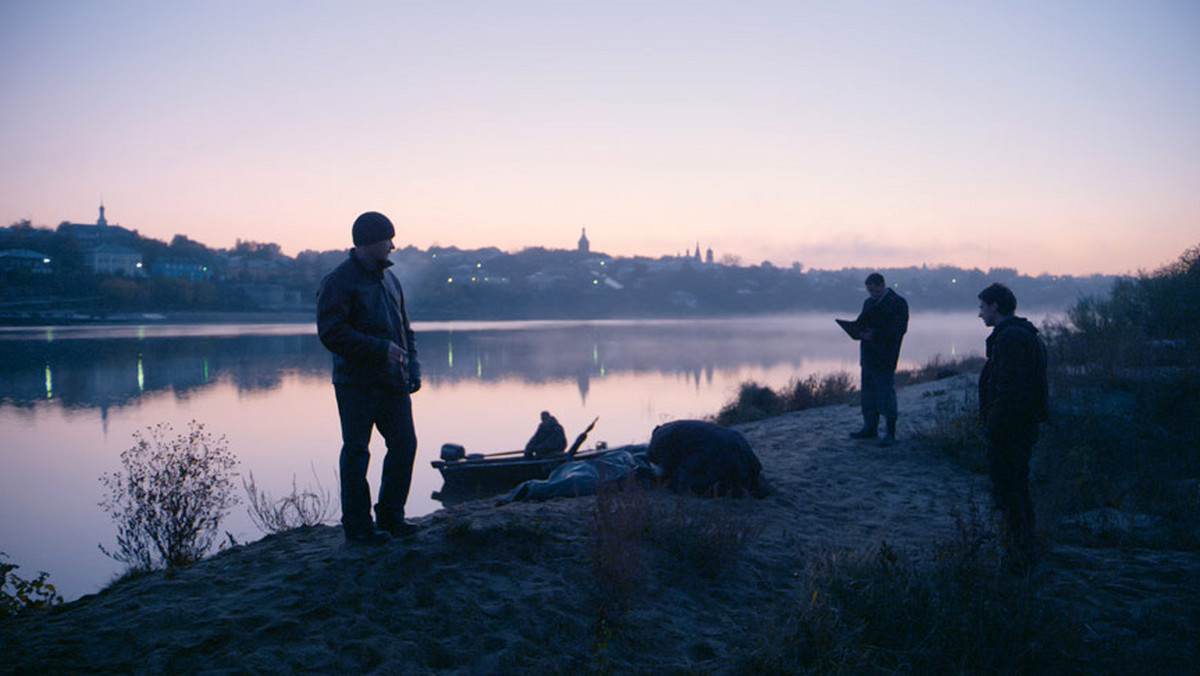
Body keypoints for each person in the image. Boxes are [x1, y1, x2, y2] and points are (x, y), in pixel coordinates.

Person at [317, 211, 422, 544]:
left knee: (405, 445)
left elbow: (405, 328)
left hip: (393, 381)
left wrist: (413, 366)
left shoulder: (391, 280)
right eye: (386, 239)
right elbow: (331, 333)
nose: (392, 245)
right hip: (355, 384)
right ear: (367, 243)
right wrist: (378, 349)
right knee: (357, 452)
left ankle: (391, 517)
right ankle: (358, 527)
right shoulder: (338, 280)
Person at [977, 282, 1048, 569]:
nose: (979, 314)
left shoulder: (1010, 339)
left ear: (994, 306)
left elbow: (1011, 390)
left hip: (1011, 430)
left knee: (1009, 490)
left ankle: (1018, 552)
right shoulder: (1021, 334)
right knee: (1018, 487)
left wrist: (993, 426)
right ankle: (1023, 547)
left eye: (982, 307)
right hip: (1020, 427)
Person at [849, 272, 909, 446]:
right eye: (869, 291)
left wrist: (874, 334)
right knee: (868, 395)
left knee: (886, 395)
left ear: (882, 285)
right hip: (867, 356)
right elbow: (862, 322)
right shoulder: (868, 303)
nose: (872, 294)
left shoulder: (898, 303)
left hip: (885, 357)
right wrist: (856, 331)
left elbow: (899, 329)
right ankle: (870, 428)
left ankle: (890, 433)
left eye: (874, 290)